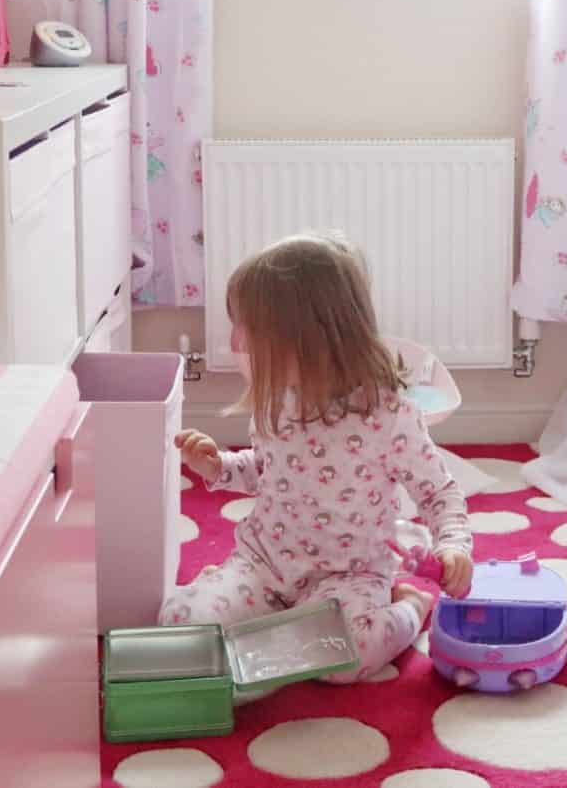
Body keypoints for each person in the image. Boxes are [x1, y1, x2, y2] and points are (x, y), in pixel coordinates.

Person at [160, 231, 473, 681]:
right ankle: (269, 621)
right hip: (265, 565)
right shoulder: (279, 403)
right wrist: (220, 468)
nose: (236, 343)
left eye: (246, 329)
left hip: (349, 576)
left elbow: (439, 494)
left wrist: (453, 546)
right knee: (180, 621)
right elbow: (268, 471)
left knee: (346, 657)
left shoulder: (387, 417)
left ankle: (411, 606)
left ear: (303, 336)